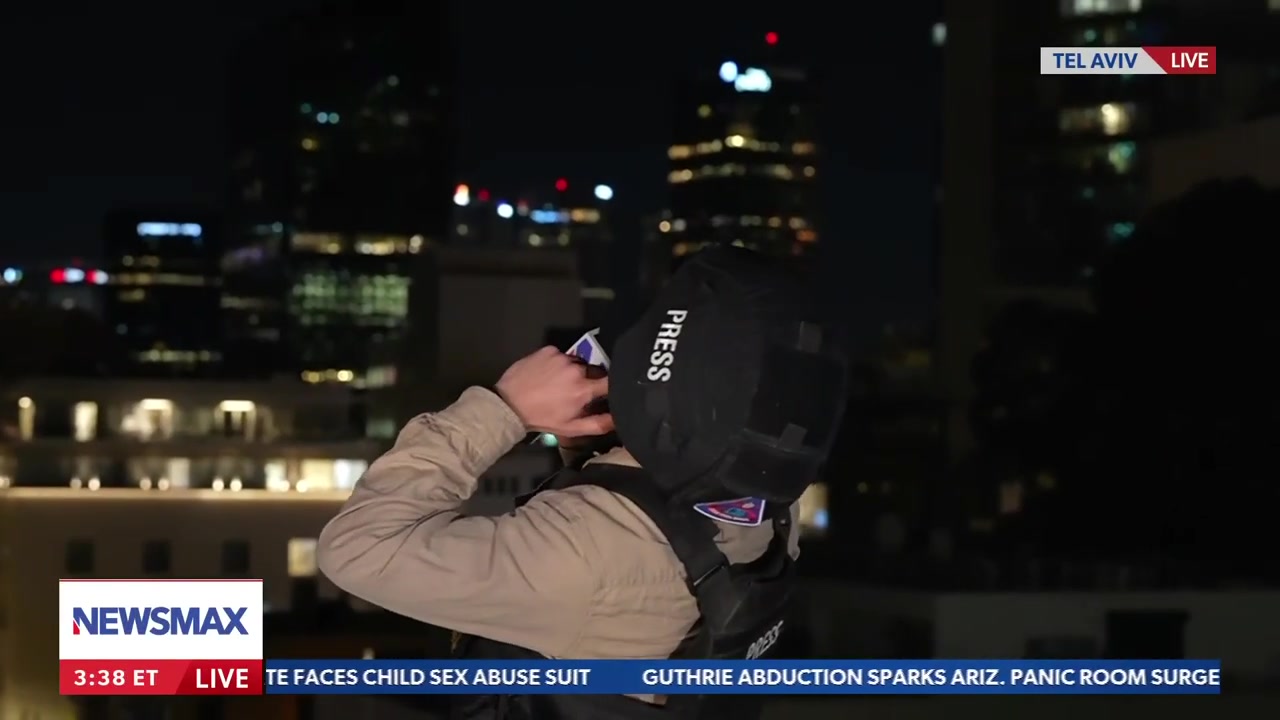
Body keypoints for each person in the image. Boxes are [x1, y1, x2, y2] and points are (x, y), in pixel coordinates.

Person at [317, 246, 848, 719]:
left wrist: (507, 407)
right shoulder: (772, 502)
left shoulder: (588, 554)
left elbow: (358, 549)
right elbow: (659, 531)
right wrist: (614, 443)